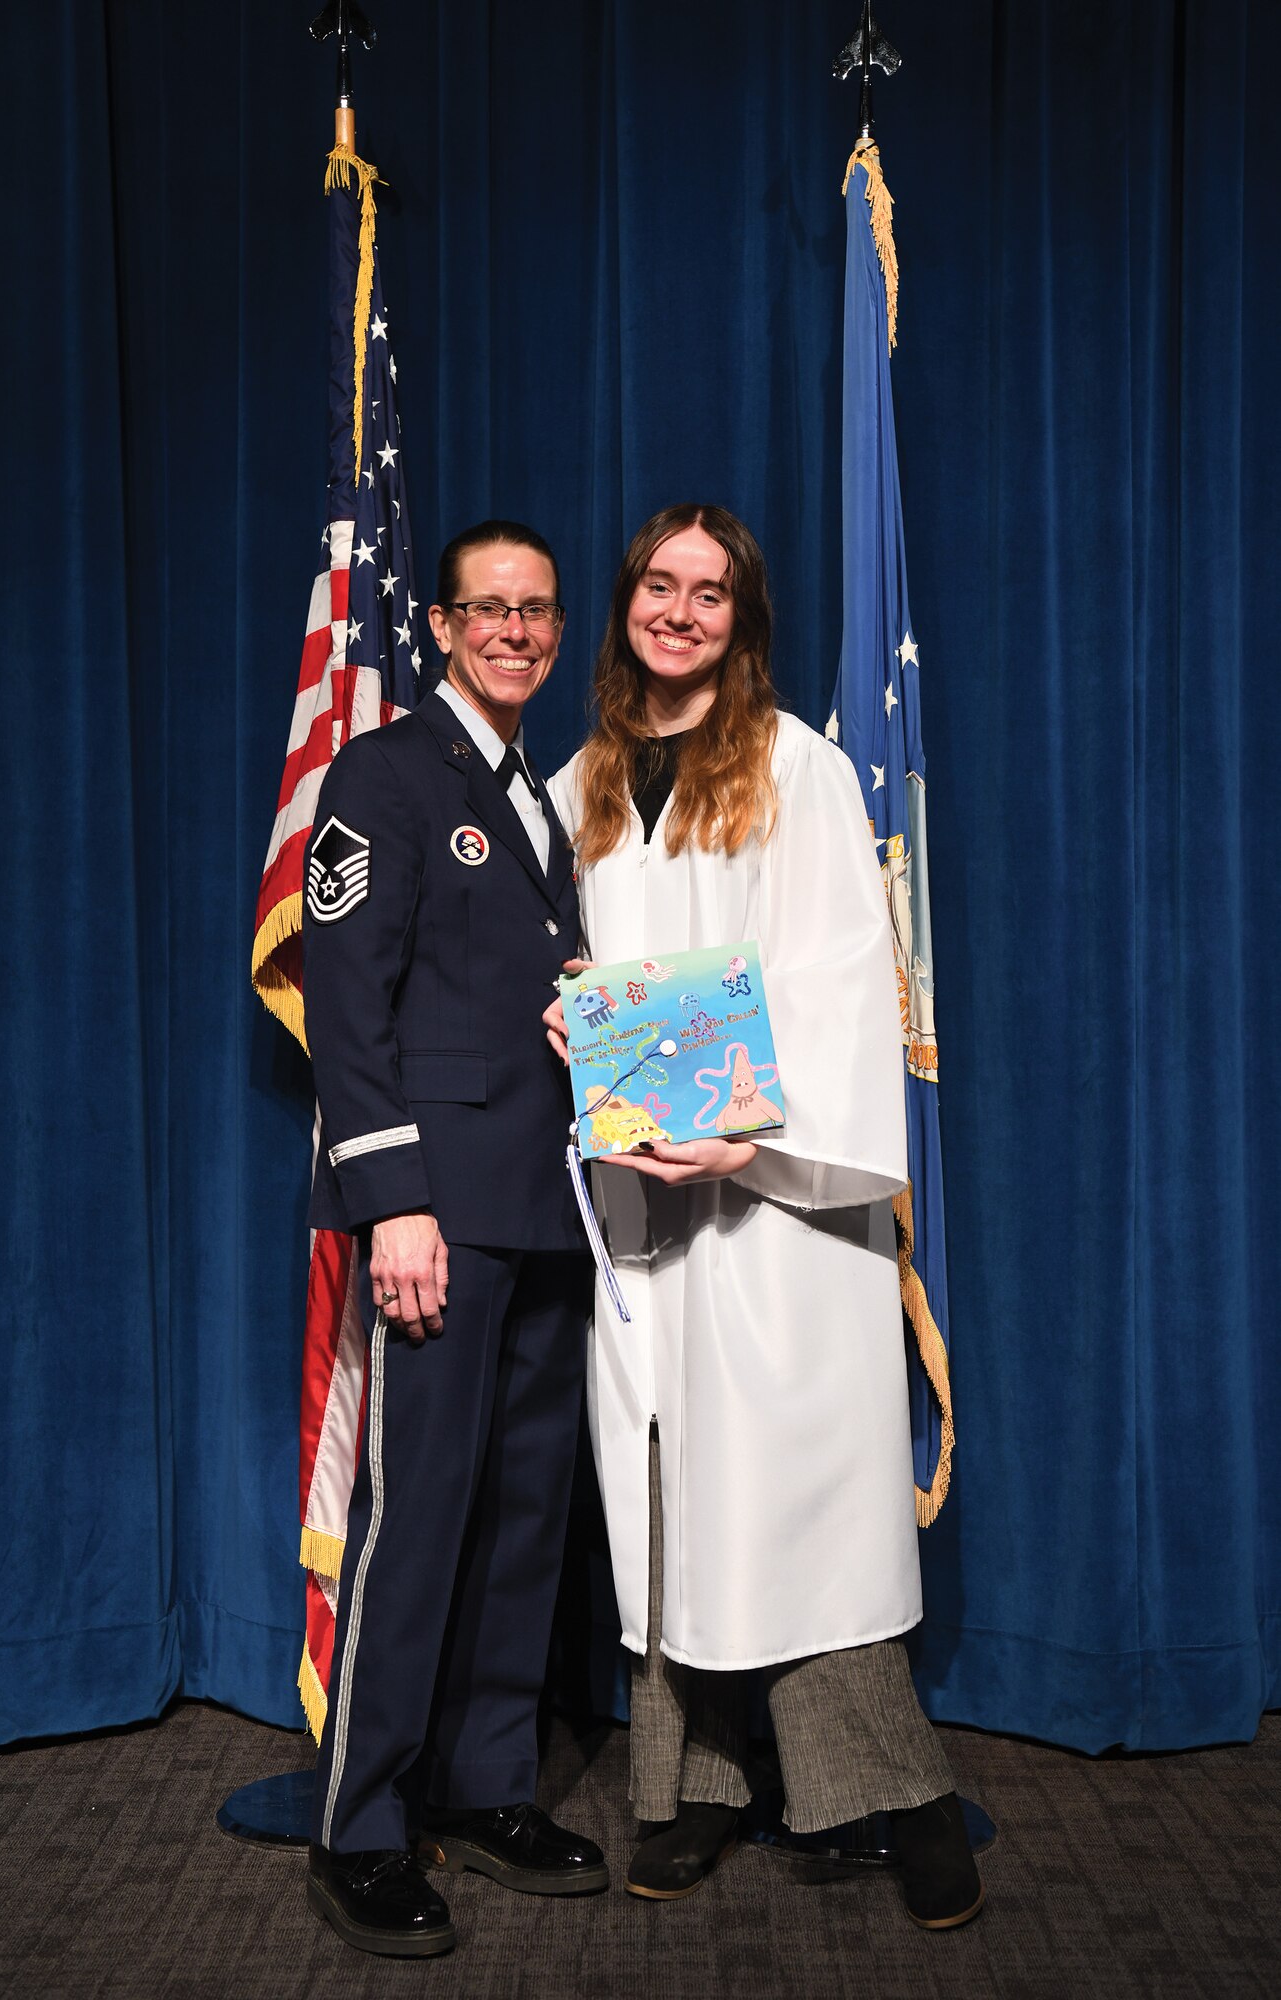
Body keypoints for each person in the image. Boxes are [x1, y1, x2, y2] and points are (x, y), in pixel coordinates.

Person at [545, 504, 982, 1928]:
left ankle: (890, 1796)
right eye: (657, 586)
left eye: (708, 592)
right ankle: (697, 1787)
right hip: (638, 1201)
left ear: (742, 619)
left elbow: (842, 984)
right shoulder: (581, 786)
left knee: (806, 1498)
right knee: (672, 1493)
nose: (679, 611)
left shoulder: (796, 767)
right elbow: (555, 978)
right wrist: (568, 1035)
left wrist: (737, 1134)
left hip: (773, 1204)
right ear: (624, 605)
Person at [303, 520, 607, 1959]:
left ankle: (487, 1786)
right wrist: (393, 1203)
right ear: (438, 624)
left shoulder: (538, 801)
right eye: (488, 608)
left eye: (537, 610)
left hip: (545, 1205)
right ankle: (361, 1823)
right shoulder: (382, 775)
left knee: (525, 1517)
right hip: (440, 1213)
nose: (515, 631)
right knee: (419, 1517)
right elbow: (348, 1007)